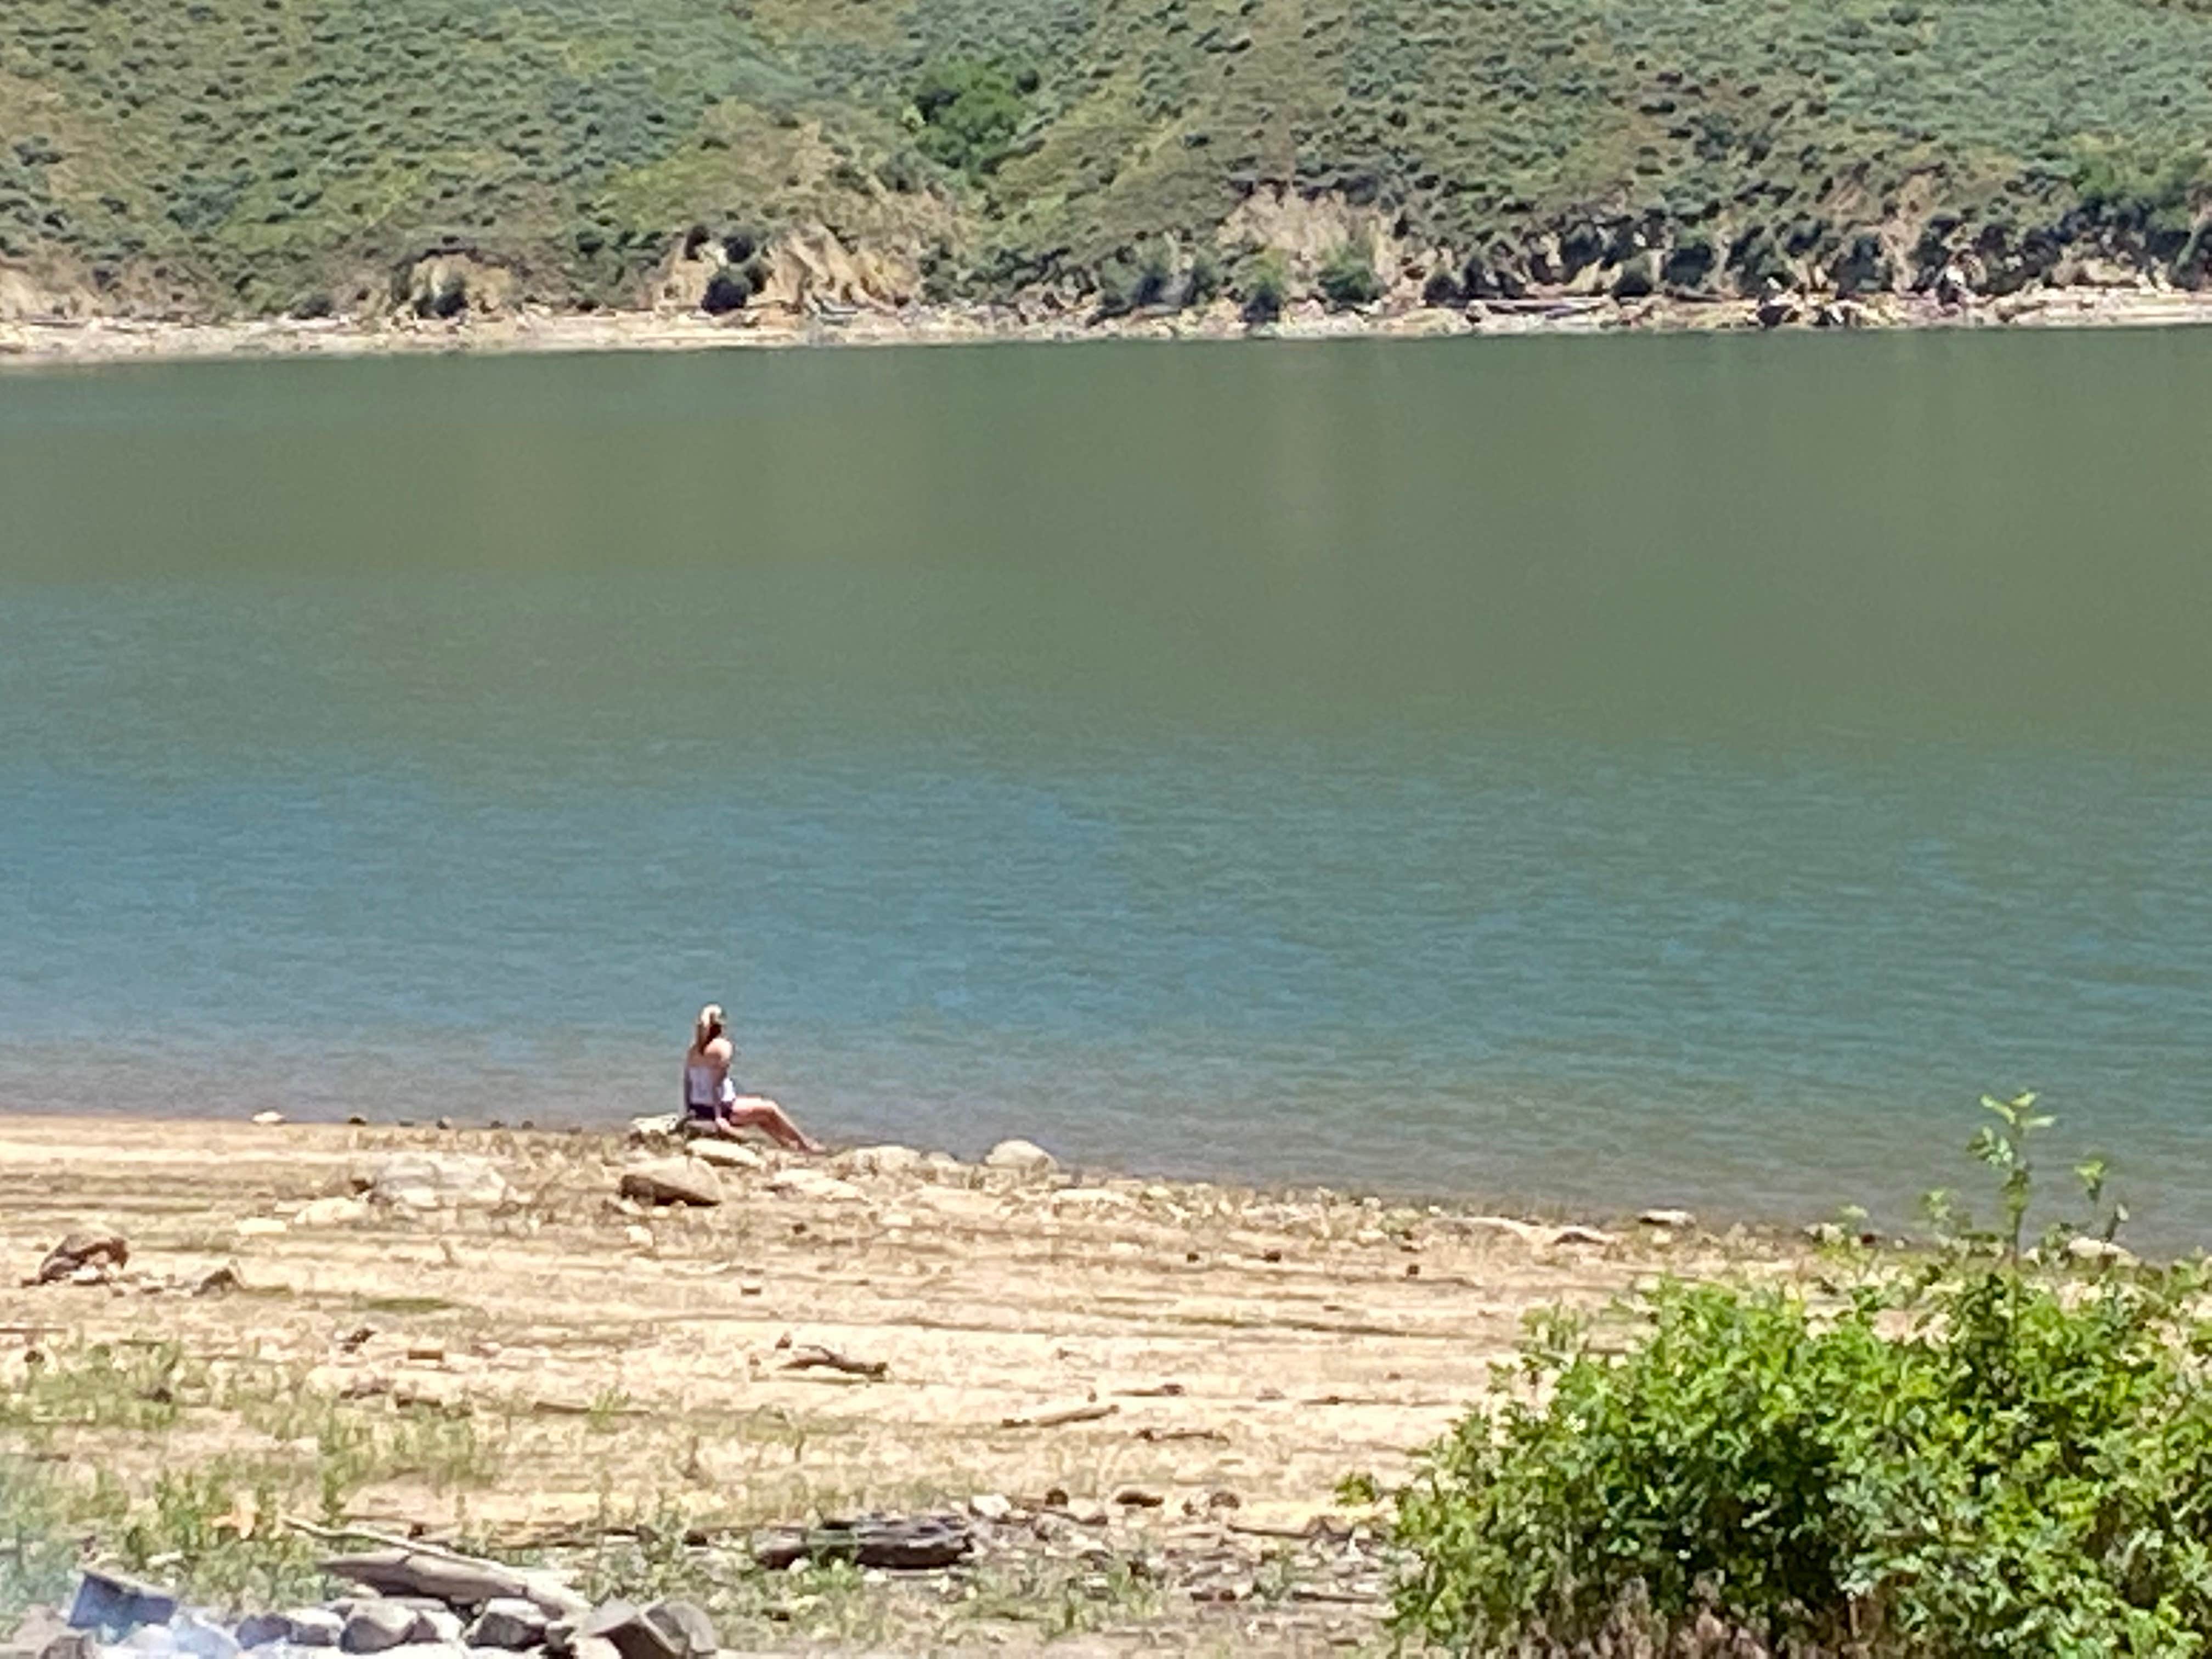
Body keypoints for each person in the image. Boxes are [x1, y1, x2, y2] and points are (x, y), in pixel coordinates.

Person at [682, 1003, 824, 1153]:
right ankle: (804, 1144)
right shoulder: (722, 1047)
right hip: (722, 1109)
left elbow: (687, 1083)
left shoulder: (693, 1052)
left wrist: (689, 1111)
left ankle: (788, 1146)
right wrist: (718, 1118)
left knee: (762, 1116)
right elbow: (715, 1084)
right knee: (770, 1108)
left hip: (699, 1108)